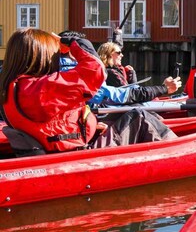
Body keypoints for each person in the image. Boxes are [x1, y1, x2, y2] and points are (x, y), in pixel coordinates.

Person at [0, 29, 175, 154]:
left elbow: (52, 124)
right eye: (54, 55)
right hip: (74, 157)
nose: (56, 59)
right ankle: (177, 152)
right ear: (41, 57)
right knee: (139, 118)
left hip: (65, 149)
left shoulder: (18, 87)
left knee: (125, 121)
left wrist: (92, 130)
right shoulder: (39, 91)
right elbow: (95, 72)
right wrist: (77, 43)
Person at [61, 32, 180, 107]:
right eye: (118, 53)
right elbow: (125, 96)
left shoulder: (60, 71)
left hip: (107, 105)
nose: (122, 55)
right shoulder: (103, 73)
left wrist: (117, 35)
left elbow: (117, 46)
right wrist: (163, 88)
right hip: (108, 109)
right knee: (143, 117)